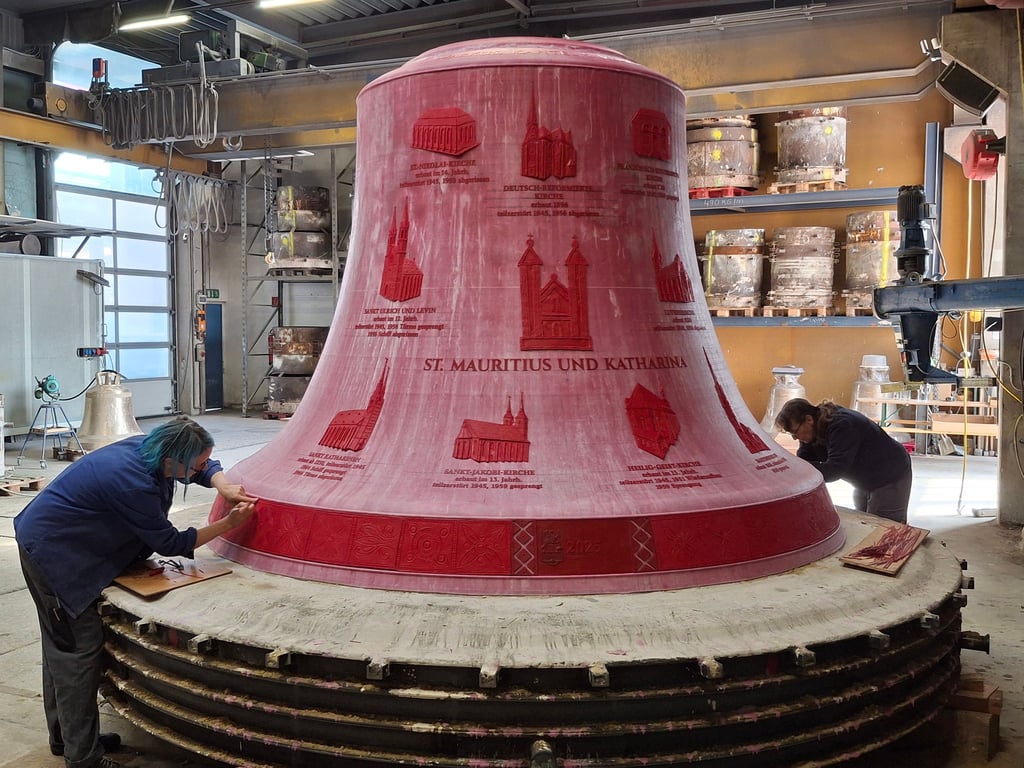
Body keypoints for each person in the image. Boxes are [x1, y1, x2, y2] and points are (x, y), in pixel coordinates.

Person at [13, 416, 257, 768]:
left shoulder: (152, 450)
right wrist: (227, 525)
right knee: (77, 655)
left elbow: (203, 466)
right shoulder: (130, 481)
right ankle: (83, 759)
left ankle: (67, 739)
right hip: (54, 556)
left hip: (55, 540)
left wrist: (222, 484)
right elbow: (171, 542)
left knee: (60, 648)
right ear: (173, 460)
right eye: (198, 465)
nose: (203, 469)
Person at [775, 397, 912, 524]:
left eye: (795, 431)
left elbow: (834, 470)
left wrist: (796, 468)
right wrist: (791, 470)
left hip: (890, 474)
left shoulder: (842, 425)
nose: (794, 438)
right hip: (864, 477)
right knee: (864, 524)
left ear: (808, 419)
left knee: (886, 529)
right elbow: (805, 460)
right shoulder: (812, 430)